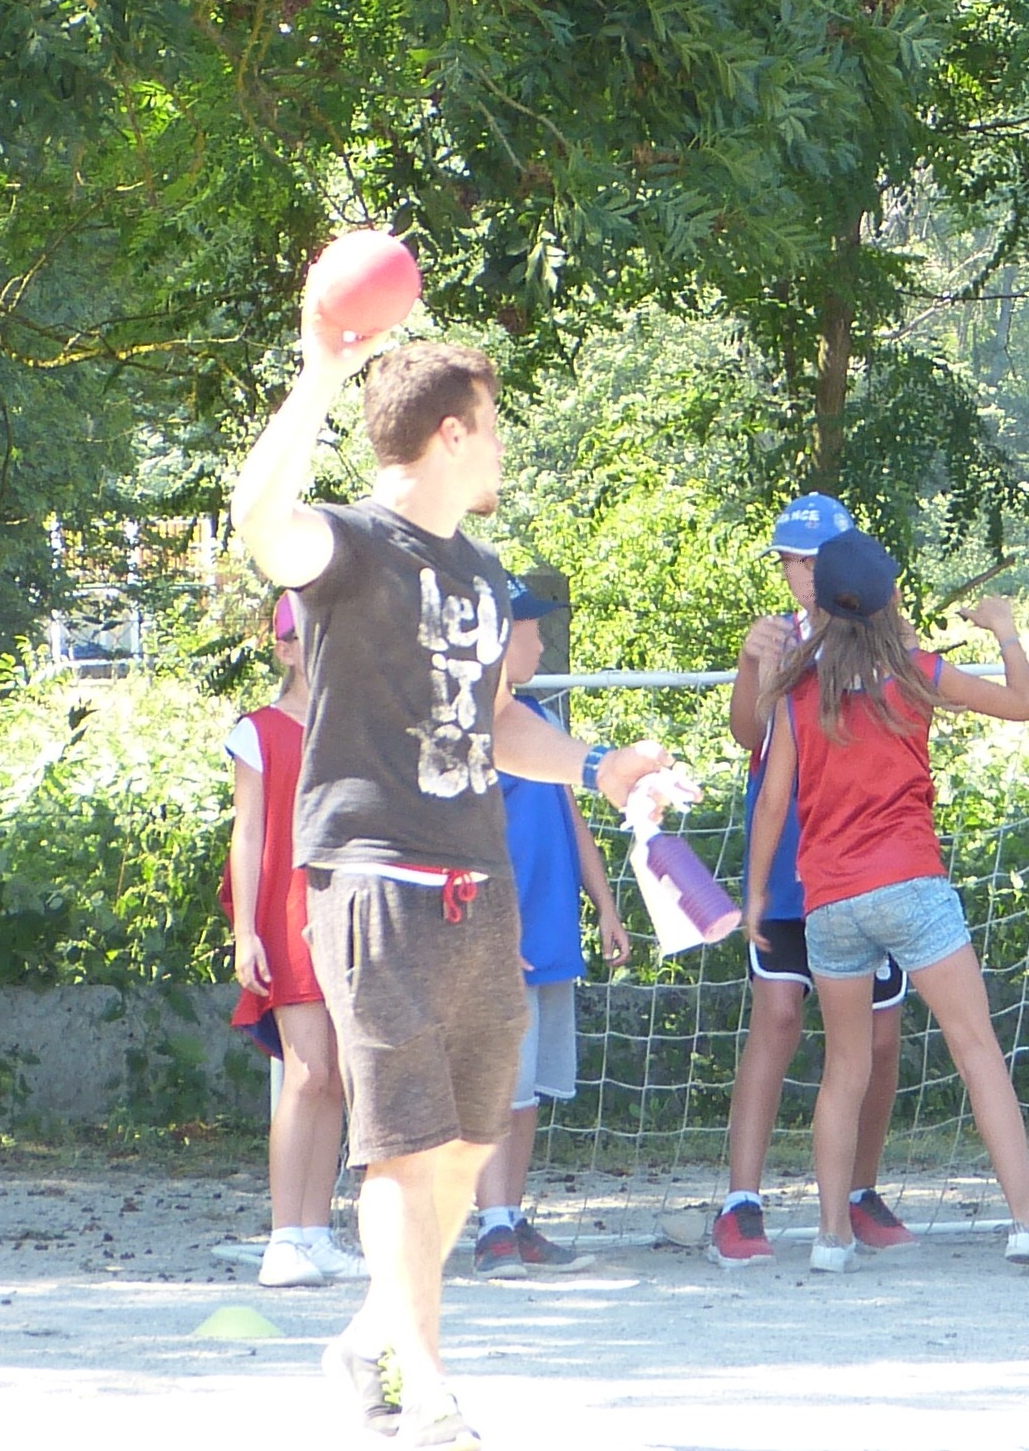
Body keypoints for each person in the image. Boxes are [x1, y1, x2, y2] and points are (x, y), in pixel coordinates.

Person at [235, 327, 678, 1448]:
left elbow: (492, 722)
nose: (502, 446)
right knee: (402, 1141)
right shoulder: (350, 549)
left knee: (472, 1137)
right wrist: (321, 373)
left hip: (479, 885)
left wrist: (594, 765)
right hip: (375, 879)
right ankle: (422, 1378)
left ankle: (373, 1331)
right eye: (493, 423)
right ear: (450, 431)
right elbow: (257, 524)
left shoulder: (481, 574)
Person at [745, 528, 1029, 1275]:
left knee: (844, 1069)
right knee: (976, 1050)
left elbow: (773, 803)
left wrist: (752, 894)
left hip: (828, 900)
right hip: (909, 882)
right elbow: (1022, 704)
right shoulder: (915, 669)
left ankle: (831, 1237)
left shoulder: (795, 689)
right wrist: (1004, 632)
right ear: (888, 597)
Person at [714, 492, 913, 1268]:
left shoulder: (888, 640)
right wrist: (747, 665)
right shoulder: (776, 641)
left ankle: (859, 1193)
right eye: (789, 561)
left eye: (809, 559)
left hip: (869, 859)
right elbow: (750, 741)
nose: (797, 574)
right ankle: (741, 1202)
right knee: (779, 1018)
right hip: (795, 866)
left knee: (882, 1033)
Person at [469, 584, 628, 1278]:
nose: (539, 643)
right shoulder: (469, 731)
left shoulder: (535, 721)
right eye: (529, 630)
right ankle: (489, 1225)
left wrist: (605, 903)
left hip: (550, 932)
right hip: (495, 939)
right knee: (492, 1084)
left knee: (528, 1088)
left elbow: (571, 818)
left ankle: (513, 1215)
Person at [226, 589, 359, 1289]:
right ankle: (283, 1235)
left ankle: (314, 1231)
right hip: (289, 916)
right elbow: (247, 834)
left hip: (351, 915)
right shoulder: (260, 730)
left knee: (335, 1077)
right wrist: (247, 929)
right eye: (302, 636)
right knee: (305, 1074)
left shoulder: (355, 723)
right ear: (281, 647)